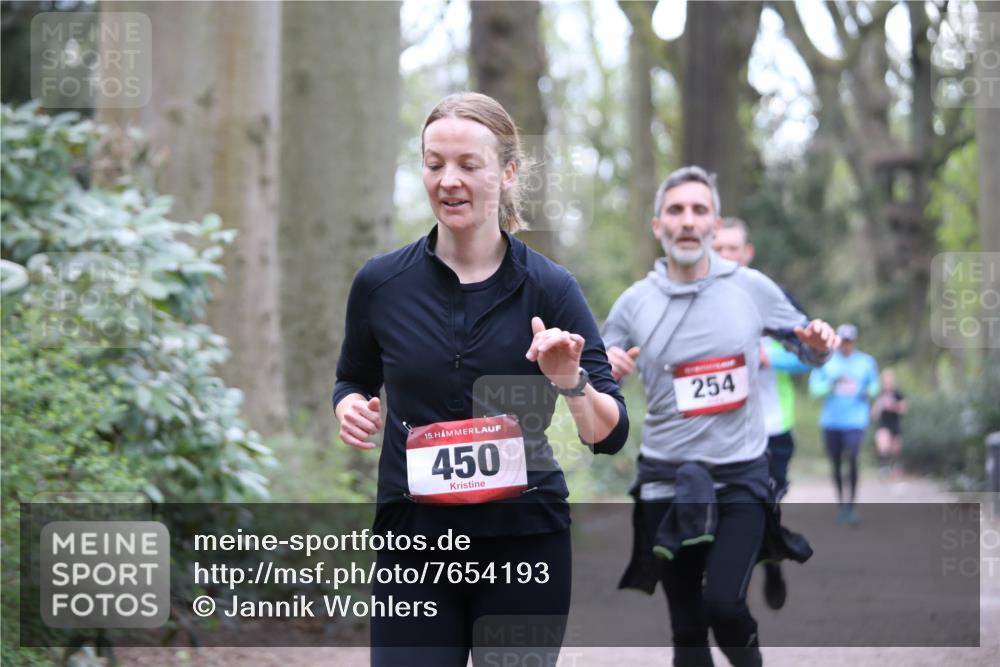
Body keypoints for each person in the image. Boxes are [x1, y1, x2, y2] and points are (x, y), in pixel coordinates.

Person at [333, 92, 629, 667]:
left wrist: (570, 381)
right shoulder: (380, 285)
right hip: (414, 543)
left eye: (469, 165)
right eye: (434, 162)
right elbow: (354, 377)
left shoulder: (551, 289)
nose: (449, 180)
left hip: (523, 545)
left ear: (508, 172)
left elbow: (608, 434)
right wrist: (348, 405)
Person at [605, 166, 838, 667]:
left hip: (740, 479)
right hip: (665, 482)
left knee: (725, 605)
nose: (687, 221)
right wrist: (606, 371)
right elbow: (595, 379)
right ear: (658, 225)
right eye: (676, 210)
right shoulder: (633, 303)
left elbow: (810, 347)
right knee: (687, 631)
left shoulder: (751, 287)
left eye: (698, 210)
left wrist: (817, 345)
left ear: (714, 224)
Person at [713, 217, 812, 611]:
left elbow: (812, 356)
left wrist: (768, 356)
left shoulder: (770, 296)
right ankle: (731, 586)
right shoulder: (691, 297)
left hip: (772, 426)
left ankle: (770, 559)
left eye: (732, 249)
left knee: (762, 506)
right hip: (718, 427)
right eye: (717, 249)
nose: (724, 256)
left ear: (747, 253)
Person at [808, 324, 879, 525]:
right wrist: (832, 385)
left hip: (856, 420)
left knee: (853, 456)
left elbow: (874, 385)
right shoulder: (826, 362)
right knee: (836, 462)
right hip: (832, 421)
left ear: (854, 342)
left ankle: (852, 504)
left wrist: (868, 391)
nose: (845, 345)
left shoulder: (865, 362)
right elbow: (814, 390)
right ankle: (842, 505)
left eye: (848, 341)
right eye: (842, 341)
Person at [872, 368, 908, 478]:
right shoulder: (879, 394)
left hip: (895, 425)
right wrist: (879, 406)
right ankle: (884, 468)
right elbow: (874, 415)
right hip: (883, 425)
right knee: (883, 445)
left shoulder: (898, 394)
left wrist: (893, 406)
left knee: (895, 450)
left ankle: (895, 468)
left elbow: (905, 409)